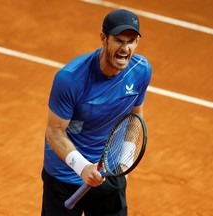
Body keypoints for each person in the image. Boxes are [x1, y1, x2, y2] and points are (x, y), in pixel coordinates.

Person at [41, 9, 152, 216]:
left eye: (131, 41)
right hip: (64, 176)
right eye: (119, 40)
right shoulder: (71, 79)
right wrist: (82, 167)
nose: (125, 48)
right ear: (103, 39)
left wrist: (123, 165)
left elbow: (134, 119)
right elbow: (55, 131)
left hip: (108, 172)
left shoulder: (141, 70)